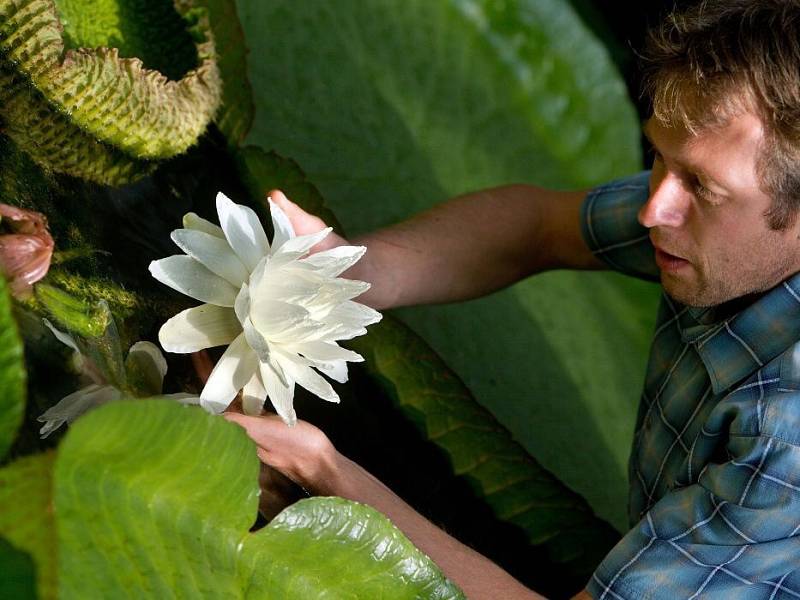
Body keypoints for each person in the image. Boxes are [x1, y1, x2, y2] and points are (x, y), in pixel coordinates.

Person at [224, 1, 800, 597]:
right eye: (658, 157)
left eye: (701, 187)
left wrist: (325, 469)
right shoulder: (724, 202)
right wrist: (351, 269)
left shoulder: (785, 442)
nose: (654, 209)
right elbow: (539, 227)